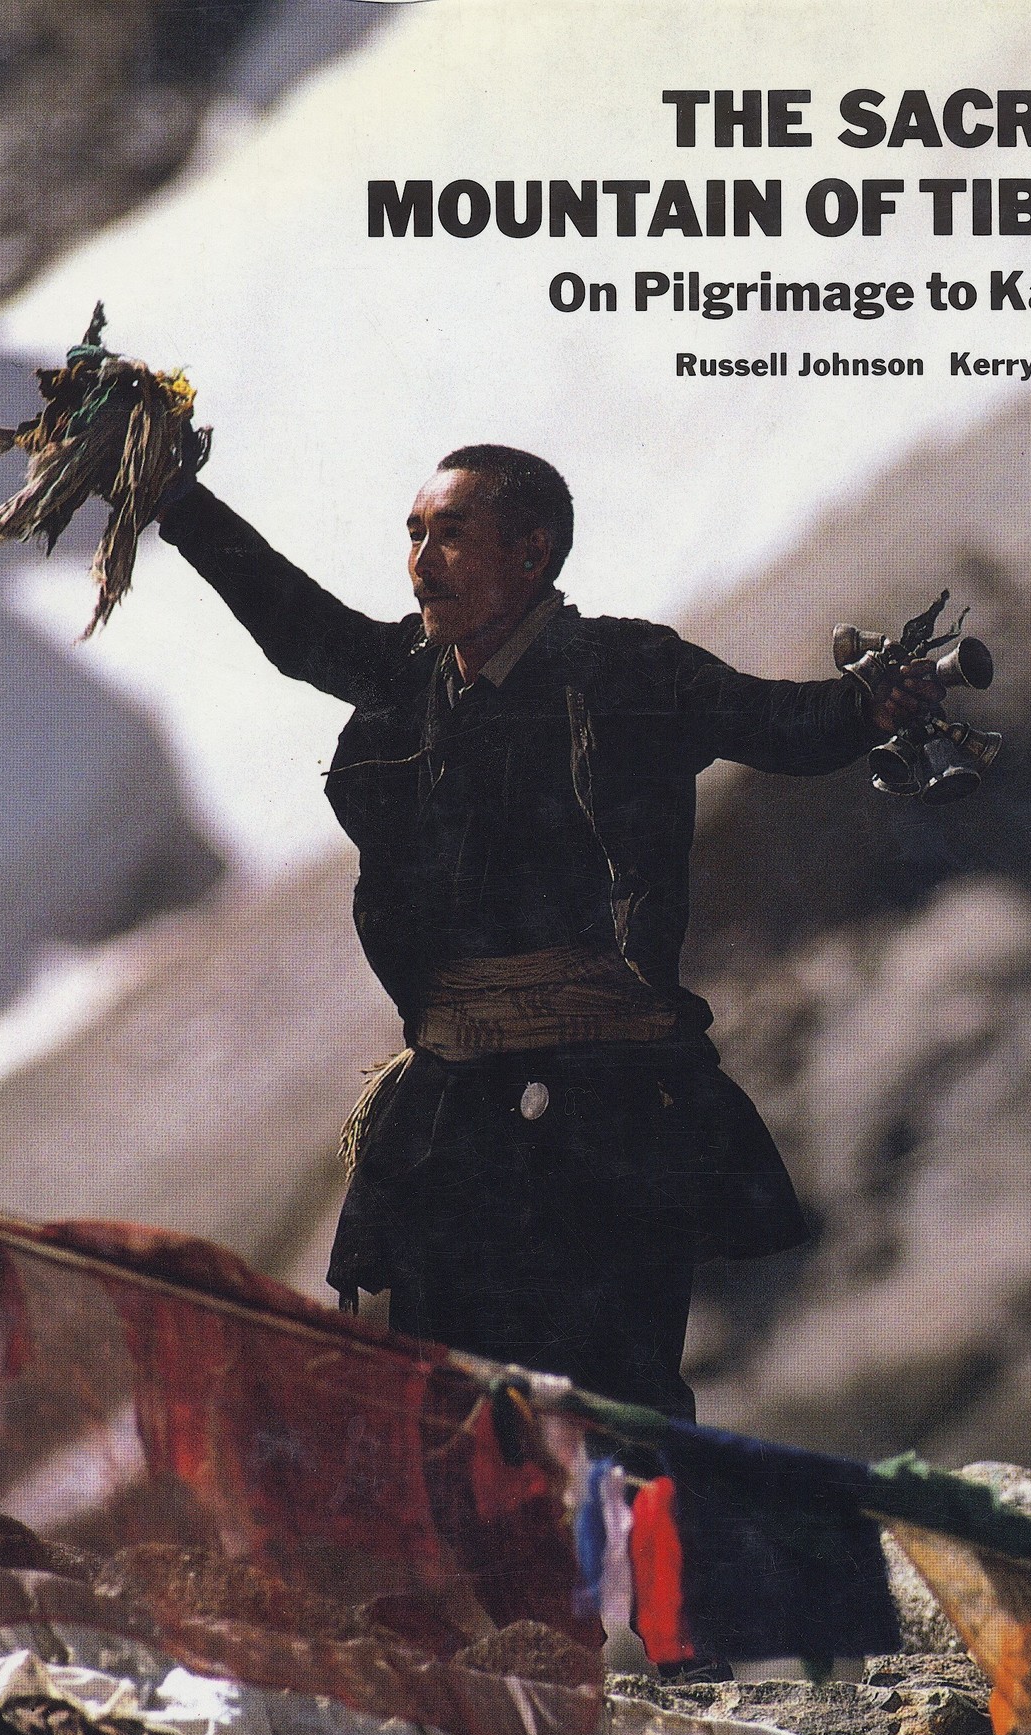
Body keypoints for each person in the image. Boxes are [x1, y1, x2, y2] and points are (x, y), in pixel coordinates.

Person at [156, 444, 944, 1420]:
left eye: (451, 534)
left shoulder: (629, 669)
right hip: (454, 1114)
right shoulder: (406, 677)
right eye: (414, 535)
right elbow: (292, 622)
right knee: (455, 1410)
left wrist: (870, 705)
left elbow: (781, 721)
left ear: (531, 553)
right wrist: (178, 500)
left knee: (618, 1410)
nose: (422, 561)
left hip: (607, 1113)